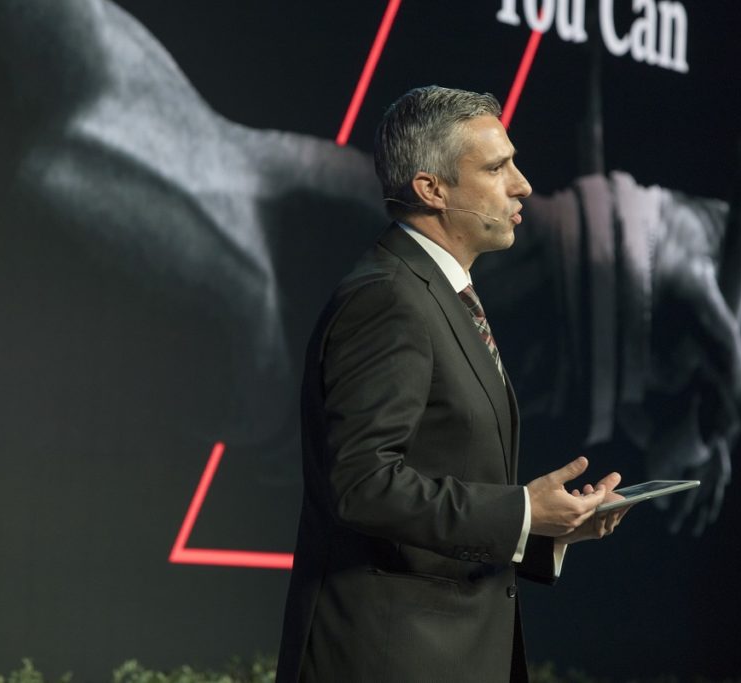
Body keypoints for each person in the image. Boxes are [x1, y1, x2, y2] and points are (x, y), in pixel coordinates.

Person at [276, 86, 628, 683]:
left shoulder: (439, 293)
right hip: (390, 659)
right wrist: (520, 510)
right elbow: (361, 484)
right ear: (431, 189)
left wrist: (547, 527)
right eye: (496, 168)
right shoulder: (388, 297)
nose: (523, 185)